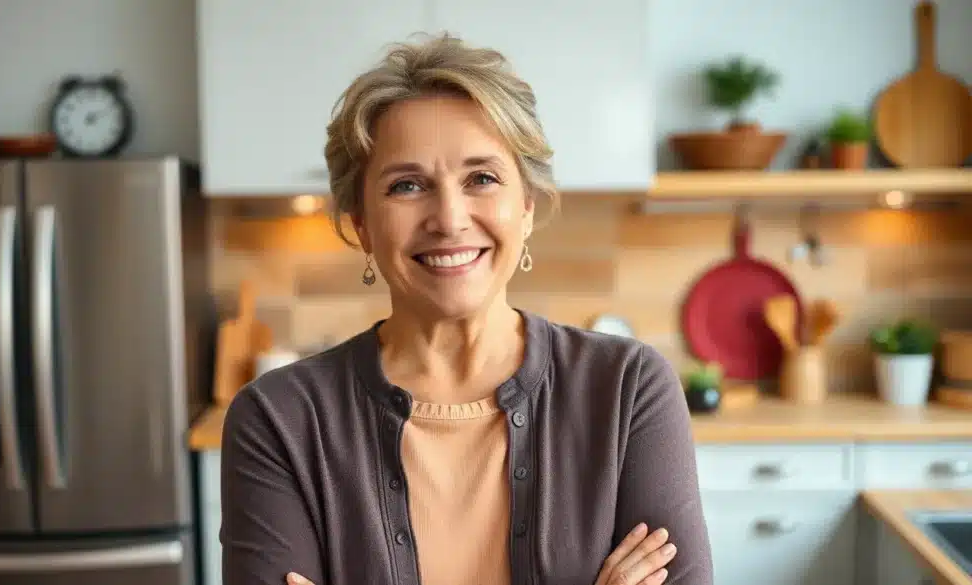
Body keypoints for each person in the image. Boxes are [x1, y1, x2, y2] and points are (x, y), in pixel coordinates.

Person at [220, 32, 713, 585]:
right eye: (407, 185)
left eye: (482, 178)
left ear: (525, 207)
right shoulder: (278, 421)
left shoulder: (628, 390)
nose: (450, 218)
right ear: (361, 223)